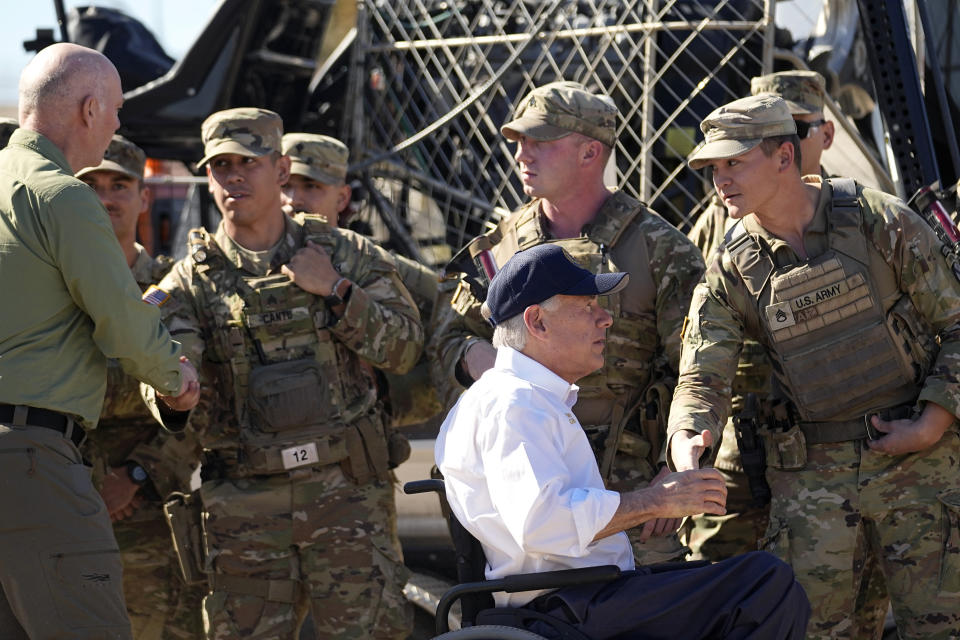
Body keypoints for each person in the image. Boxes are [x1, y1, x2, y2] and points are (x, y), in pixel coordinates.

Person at [670, 94, 960, 637]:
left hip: (923, 472)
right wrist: (689, 434)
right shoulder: (733, 268)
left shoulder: (879, 222)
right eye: (713, 167)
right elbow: (703, 372)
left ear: (785, 156)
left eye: (735, 161)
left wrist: (933, 422)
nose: (721, 180)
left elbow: (957, 325)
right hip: (813, 482)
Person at [143, 107, 422, 639]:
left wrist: (338, 291)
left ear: (280, 168)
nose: (234, 178)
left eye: (247, 162)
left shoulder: (344, 255)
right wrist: (172, 395)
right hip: (246, 508)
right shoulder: (189, 281)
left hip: (347, 499)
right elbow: (165, 364)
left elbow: (406, 349)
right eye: (220, 166)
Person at [436, 243, 810, 639]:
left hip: (584, 598)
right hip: (568, 607)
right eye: (586, 307)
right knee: (765, 584)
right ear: (537, 322)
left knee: (753, 581)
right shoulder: (515, 402)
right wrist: (659, 501)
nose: (605, 319)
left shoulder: (510, 397)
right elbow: (543, 522)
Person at [429, 81, 705, 564]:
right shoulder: (500, 249)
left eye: (541, 141)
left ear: (590, 152)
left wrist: (673, 471)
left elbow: (698, 371)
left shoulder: (660, 249)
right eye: (518, 142)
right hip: (528, 496)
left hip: (633, 492)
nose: (522, 155)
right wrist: (474, 357)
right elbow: (446, 342)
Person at [0, 43, 199, 639]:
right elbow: (122, 320)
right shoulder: (62, 195)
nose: (115, 125)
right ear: (89, 109)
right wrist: (176, 379)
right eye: (114, 111)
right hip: (35, 463)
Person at [76, 135, 205, 639]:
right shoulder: (54, 291)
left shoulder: (170, 291)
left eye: (120, 184)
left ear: (144, 197)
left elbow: (199, 400)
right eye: (91, 185)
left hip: (153, 517)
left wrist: (133, 475)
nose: (106, 197)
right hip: (66, 503)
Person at [281, 132, 441, 427]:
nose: (294, 199)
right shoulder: (259, 258)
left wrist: (393, 392)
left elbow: (446, 307)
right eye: (286, 186)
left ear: (342, 197)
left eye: (311, 186)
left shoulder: (367, 260)